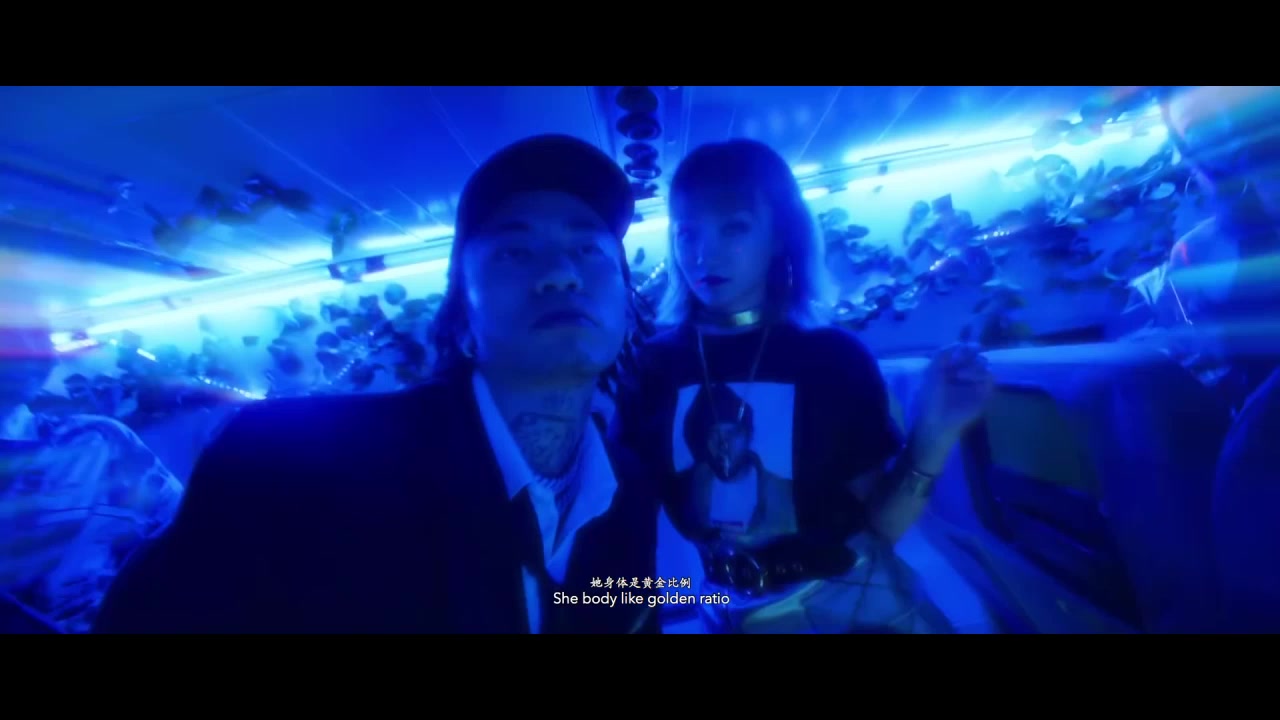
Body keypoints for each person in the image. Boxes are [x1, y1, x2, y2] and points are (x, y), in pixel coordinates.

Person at [94, 134, 660, 634]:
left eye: (589, 248)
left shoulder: (630, 488)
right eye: (516, 251)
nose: (561, 273)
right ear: (462, 313)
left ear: (627, 306)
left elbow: (618, 610)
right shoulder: (286, 463)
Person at [610, 139, 992, 634]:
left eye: (734, 228)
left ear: (779, 236)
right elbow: (617, 516)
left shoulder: (832, 357)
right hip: (724, 608)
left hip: (854, 605)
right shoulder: (653, 366)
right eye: (687, 233)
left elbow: (881, 525)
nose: (703, 255)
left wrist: (936, 433)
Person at [0, 321, 183, 633]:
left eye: (42, 336)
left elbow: (188, 534)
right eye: (11, 334)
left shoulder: (101, 442)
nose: (40, 354)